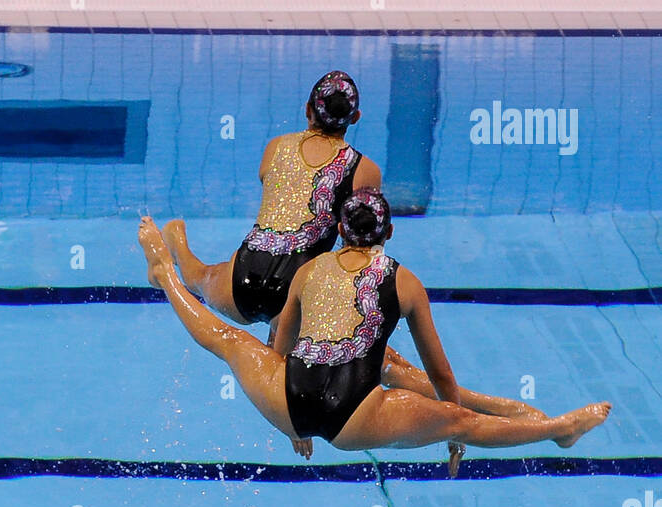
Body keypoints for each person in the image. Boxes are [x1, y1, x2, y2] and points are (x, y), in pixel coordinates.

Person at [137, 194, 611, 463]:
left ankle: (165, 277)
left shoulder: (310, 271)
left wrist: (291, 425)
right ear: (388, 235)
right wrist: (451, 429)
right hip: (356, 419)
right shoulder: (404, 282)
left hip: (288, 400)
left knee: (229, 341)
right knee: (461, 415)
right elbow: (441, 374)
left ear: (341, 232)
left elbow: (279, 353)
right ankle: (558, 430)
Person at [162, 71, 381, 334]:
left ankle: (176, 242)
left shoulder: (276, 146)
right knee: (286, 365)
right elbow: (359, 248)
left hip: (241, 279)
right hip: (297, 292)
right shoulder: (365, 170)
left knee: (198, 277)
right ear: (355, 118)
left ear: (307, 109)